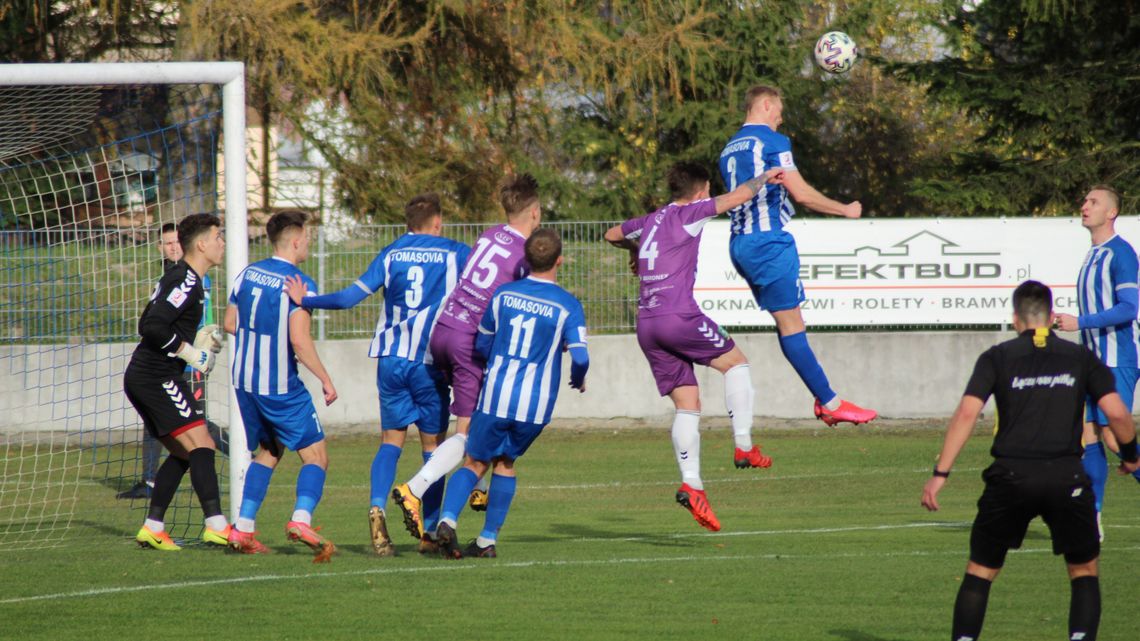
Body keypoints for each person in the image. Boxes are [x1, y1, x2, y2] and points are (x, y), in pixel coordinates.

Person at [921, 280, 1139, 641]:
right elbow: (1117, 413)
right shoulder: (1081, 358)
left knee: (980, 571)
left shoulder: (997, 356)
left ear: (1015, 319)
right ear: (1053, 318)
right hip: (1066, 475)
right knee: (1084, 571)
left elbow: (965, 413)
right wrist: (1131, 456)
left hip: (1010, 476)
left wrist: (940, 473)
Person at [284, 194, 470, 556]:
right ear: (437, 222)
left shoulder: (392, 253)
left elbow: (349, 298)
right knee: (433, 448)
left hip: (390, 361)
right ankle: (429, 533)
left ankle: (377, 507)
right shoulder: (455, 252)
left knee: (390, 441)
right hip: (429, 362)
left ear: (407, 224)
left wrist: (306, 300)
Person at [604, 162, 784, 531]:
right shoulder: (691, 212)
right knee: (736, 364)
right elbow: (737, 197)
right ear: (701, 190)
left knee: (688, 404)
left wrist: (634, 250)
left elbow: (611, 233)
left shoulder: (653, 219)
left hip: (647, 324)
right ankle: (745, 445)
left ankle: (693, 484)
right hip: (677, 315)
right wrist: (767, 175)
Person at [391, 174, 541, 542]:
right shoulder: (525, 253)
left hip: (444, 327)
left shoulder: (490, 234)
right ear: (534, 212)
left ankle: (466, 493)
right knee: (470, 432)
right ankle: (415, 487)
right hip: (467, 339)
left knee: (475, 423)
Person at [718, 84, 876, 427]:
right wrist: (844, 209)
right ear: (763, 105)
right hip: (767, 243)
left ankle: (826, 398)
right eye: (778, 110)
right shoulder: (773, 141)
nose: (781, 117)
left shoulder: (729, 148)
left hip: (740, 244)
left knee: (788, 323)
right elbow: (801, 193)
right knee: (792, 326)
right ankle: (829, 401)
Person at [433, 228, 588, 558]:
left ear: (526, 259)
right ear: (559, 260)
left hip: (496, 395)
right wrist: (578, 377)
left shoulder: (502, 295)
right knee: (506, 462)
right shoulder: (568, 305)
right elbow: (581, 356)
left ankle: (447, 520)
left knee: (475, 461)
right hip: (535, 406)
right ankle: (487, 540)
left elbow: (483, 343)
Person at [223, 210, 339, 562]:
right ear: (295, 240)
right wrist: (326, 379)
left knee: (269, 451)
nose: (309, 242)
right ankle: (301, 520)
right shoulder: (298, 284)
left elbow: (230, 323)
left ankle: (243, 528)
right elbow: (300, 343)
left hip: (245, 381)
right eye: (307, 237)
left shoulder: (247, 273)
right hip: (280, 386)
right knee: (316, 456)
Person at [123, 213, 230, 550]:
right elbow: (151, 326)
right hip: (155, 376)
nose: (222, 243)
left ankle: (153, 527)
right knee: (203, 446)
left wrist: (193, 341)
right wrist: (190, 353)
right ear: (201, 244)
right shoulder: (184, 279)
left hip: (151, 375)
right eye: (218, 236)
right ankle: (216, 524)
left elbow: (158, 321)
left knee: (185, 455)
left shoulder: (188, 280)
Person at [1053, 185, 1140, 538]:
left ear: (1111, 213)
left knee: (1115, 439)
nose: (1084, 206)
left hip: (1116, 359)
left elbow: (1129, 308)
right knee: (1086, 435)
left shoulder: (1121, 254)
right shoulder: (1092, 255)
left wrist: (1080, 322)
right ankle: (1093, 518)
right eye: (1085, 200)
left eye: (1093, 202)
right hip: (1092, 363)